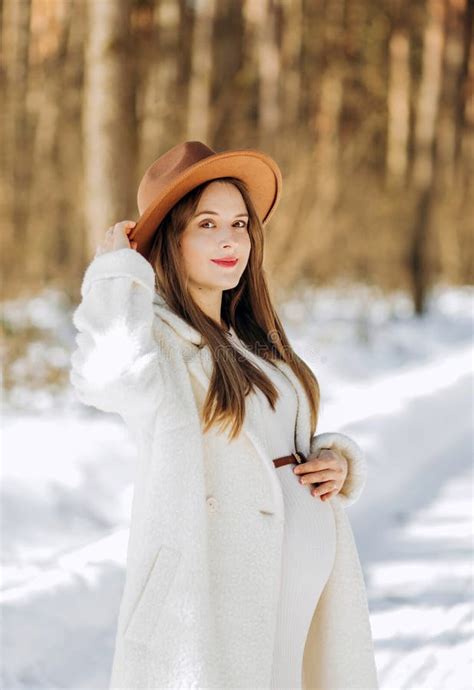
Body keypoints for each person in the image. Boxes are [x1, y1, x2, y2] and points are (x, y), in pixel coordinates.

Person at [70, 141, 379, 689]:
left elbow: (265, 445)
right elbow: (105, 372)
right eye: (207, 224)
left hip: (295, 596)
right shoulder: (159, 345)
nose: (229, 239)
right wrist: (118, 269)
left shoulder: (253, 340)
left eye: (239, 223)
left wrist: (329, 458)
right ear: (172, 236)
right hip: (217, 597)